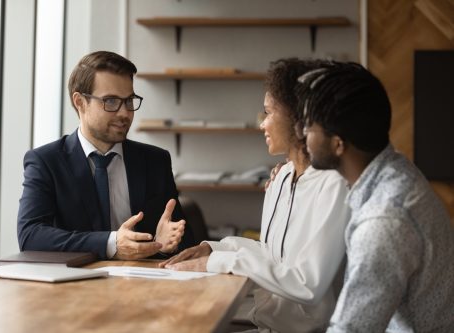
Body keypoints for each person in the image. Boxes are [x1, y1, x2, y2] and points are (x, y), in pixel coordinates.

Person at [160, 59, 351, 332]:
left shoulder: (334, 184)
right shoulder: (281, 177)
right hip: (264, 326)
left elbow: (307, 284)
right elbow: (270, 255)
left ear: (299, 118)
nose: (262, 124)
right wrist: (215, 248)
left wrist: (219, 262)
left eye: (268, 113)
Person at [300, 62, 454, 332]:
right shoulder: (398, 170)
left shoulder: (383, 223)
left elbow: (351, 329)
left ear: (338, 144)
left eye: (310, 127)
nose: (303, 134)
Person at [18, 51, 195, 260]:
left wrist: (165, 245)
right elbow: (30, 236)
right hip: (75, 287)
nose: (125, 113)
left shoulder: (155, 161)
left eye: (129, 101)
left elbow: (184, 238)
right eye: (111, 101)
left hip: (143, 284)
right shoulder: (46, 161)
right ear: (80, 102)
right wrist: (112, 243)